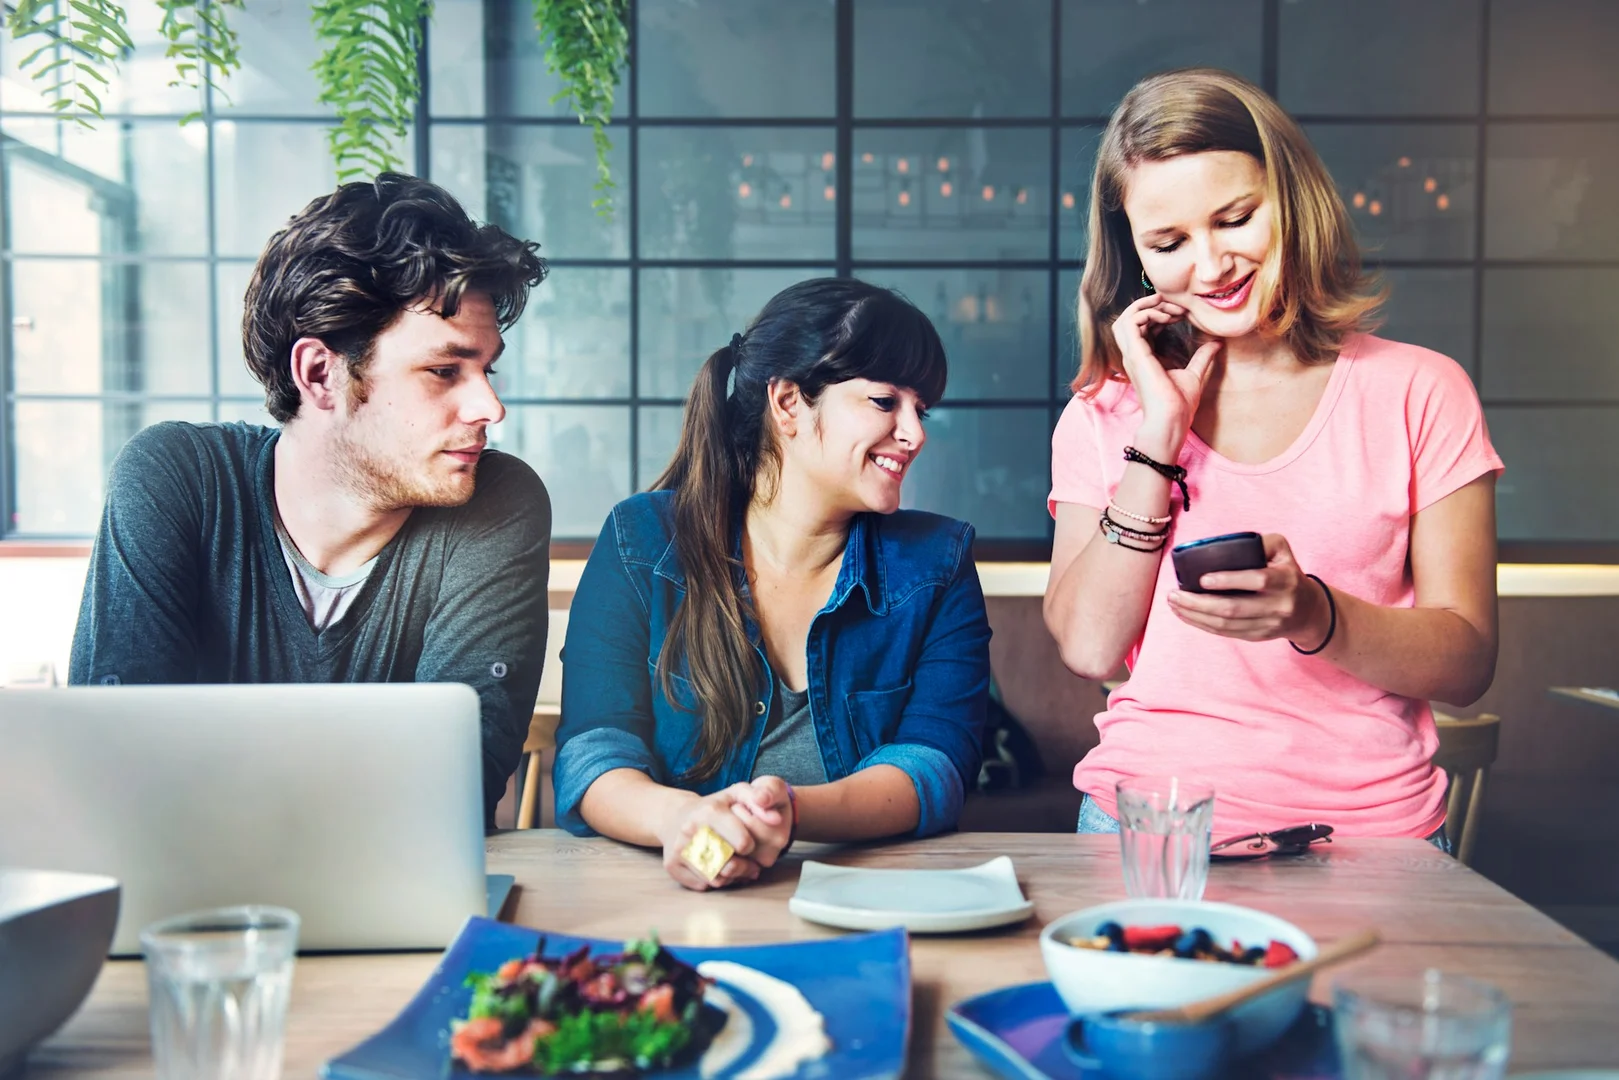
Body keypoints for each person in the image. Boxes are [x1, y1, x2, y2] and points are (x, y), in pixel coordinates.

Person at [1044, 69, 1502, 843]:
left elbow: (1465, 666)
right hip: (1150, 822)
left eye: (1235, 218)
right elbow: (1090, 645)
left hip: (1372, 832)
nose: (1212, 264)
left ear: (1290, 199)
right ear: (1137, 256)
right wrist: (1156, 440)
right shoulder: (1108, 412)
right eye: (1169, 242)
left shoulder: (1420, 390)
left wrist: (1313, 612)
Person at [69, 173, 553, 827]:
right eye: (444, 371)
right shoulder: (178, 481)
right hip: (183, 915)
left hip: (409, 915)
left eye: (485, 369)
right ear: (321, 374)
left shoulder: (498, 503)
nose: (489, 406)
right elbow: (111, 770)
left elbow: (451, 785)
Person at [553, 278, 992, 890]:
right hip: (665, 894)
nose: (915, 433)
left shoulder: (937, 563)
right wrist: (685, 821)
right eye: (886, 402)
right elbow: (594, 751)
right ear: (788, 402)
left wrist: (788, 811)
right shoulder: (641, 541)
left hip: (865, 896)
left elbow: (936, 764)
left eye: (922, 410)